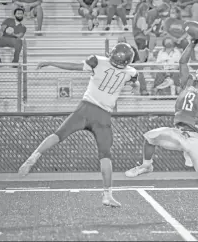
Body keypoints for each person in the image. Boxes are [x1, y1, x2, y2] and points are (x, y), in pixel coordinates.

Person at [18, 43, 139, 208]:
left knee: (58, 135)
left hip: (85, 109)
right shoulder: (131, 72)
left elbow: (73, 67)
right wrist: (135, 87)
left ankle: (33, 157)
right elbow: (135, 81)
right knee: (105, 155)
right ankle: (107, 195)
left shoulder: (97, 61)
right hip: (103, 116)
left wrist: (51, 62)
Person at [125, 26, 198, 221]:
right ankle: (147, 165)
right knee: (150, 137)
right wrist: (192, 42)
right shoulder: (188, 83)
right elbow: (183, 61)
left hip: (195, 137)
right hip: (178, 133)